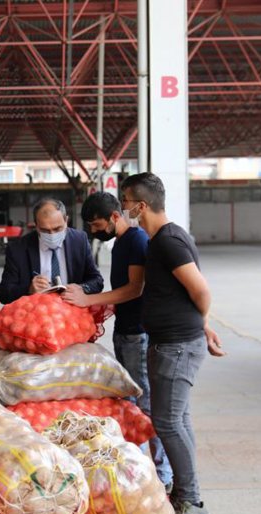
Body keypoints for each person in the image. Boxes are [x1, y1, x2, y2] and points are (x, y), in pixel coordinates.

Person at [119, 172, 225, 514]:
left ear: (141, 205)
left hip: (177, 346)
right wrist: (203, 326)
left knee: (166, 422)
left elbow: (201, 289)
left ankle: (192, 502)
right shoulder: (162, 239)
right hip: (174, 342)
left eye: (126, 201)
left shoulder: (168, 241)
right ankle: (185, 494)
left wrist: (202, 322)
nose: (124, 208)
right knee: (177, 420)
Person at [63, 191, 174, 491]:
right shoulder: (120, 244)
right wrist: (101, 306)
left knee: (145, 404)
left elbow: (134, 289)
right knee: (128, 402)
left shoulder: (136, 241)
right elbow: (121, 293)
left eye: (98, 225)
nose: (95, 232)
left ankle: (162, 476)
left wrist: (89, 299)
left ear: (114, 216)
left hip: (138, 334)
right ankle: (136, 471)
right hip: (125, 331)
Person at [0, 198, 104, 304]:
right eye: (45, 230)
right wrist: (28, 290)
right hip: (35, 314)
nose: (52, 235)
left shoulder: (79, 241)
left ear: (66, 221)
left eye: (58, 229)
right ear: (36, 226)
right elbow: (3, 294)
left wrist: (81, 288)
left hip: (73, 312)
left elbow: (97, 281)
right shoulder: (18, 249)